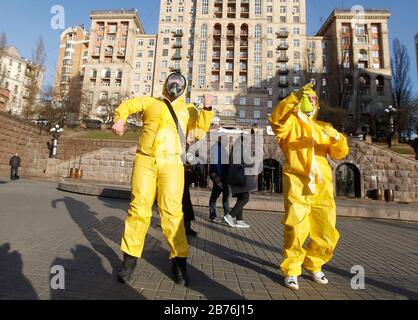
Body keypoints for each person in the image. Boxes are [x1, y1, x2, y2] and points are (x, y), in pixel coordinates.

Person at [112, 73, 214, 286]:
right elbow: (128, 105)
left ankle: (179, 261)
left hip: (172, 162)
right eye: (172, 81)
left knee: (172, 212)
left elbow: (199, 131)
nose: (175, 85)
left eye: (179, 82)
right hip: (145, 160)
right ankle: (129, 261)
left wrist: (207, 109)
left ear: (184, 87)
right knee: (138, 208)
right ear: (166, 84)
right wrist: (120, 119)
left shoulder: (189, 110)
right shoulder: (151, 102)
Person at [269, 83, 349, 290]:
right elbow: (276, 120)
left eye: (314, 99)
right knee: (296, 228)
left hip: (322, 186)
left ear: (318, 106)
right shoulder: (289, 124)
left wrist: (338, 138)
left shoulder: (324, 127)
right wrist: (294, 98)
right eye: (307, 98)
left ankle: (314, 264)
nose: (311, 102)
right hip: (298, 183)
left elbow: (339, 153)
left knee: (326, 231)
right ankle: (292, 269)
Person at [223, 135, 257, 229]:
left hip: (235, 176)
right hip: (238, 176)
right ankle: (230, 216)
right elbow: (247, 162)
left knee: (241, 197)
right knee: (245, 197)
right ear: (242, 141)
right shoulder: (240, 148)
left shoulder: (235, 148)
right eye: (246, 142)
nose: (247, 144)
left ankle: (239, 220)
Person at [208, 137, 231, 222]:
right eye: (225, 140)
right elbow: (216, 162)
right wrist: (219, 176)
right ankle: (212, 215)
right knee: (216, 195)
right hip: (218, 176)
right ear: (220, 139)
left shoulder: (222, 148)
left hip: (223, 176)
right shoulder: (216, 148)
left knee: (225, 194)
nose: (226, 142)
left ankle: (226, 216)